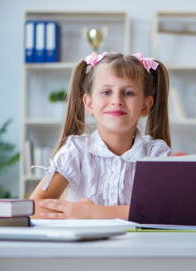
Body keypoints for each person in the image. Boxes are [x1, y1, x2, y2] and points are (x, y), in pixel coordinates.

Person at [31, 52, 171, 219]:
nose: (117, 100)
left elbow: (164, 211)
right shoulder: (76, 151)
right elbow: (34, 207)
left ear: (145, 105)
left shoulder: (156, 154)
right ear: (89, 104)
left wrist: (93, 213)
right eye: (106, 92)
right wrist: (71, 212)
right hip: (84, 245)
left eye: (128, 93)